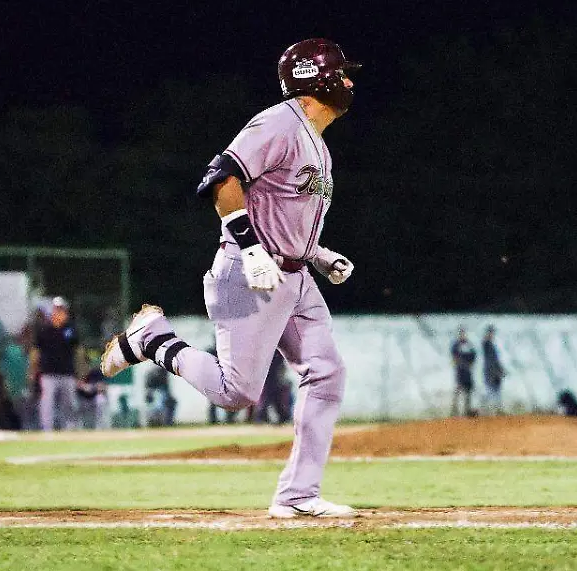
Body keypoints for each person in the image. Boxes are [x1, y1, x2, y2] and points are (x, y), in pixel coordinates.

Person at [100, 38, 360, 519]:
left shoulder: (319, 146)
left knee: (327, 373)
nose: (349, 81)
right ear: (316, 77)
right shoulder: (280, 122)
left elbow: (283, 217)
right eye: (342, 73)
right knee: (236, 394)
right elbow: (221, 178)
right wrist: (251, 247)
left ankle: (298, 494)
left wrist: (319, 255)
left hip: (295, 277)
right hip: (249, 272)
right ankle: (154, 340)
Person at [34, 296, 81, 431]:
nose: (58, 312)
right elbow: (36, 351)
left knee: (69, 403)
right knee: (47, 402)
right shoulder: (44, 330)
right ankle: (46, 428)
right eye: (56, 309)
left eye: (61, 309)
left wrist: (80, 370)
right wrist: (33, 370)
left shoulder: (70, 329)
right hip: (48, 372)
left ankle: (70, 429)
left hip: (67, 371)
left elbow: (77, 350)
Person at [76, 356, 110, 429]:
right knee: (73, 402)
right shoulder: (76, 373)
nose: (84, 366)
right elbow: (74, 385)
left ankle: (100, 428)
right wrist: (82, 386)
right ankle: (76, 428)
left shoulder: (96, 372)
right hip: (81, 399)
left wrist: (92, 387)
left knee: (101, 400)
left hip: (94, 398)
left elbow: (104, 387)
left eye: (85, 364)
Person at [451, 327, 477, 417]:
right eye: (461, 334)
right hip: (460, 371)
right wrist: (460, 363)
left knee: (468, 391)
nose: (463, 335)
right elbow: (454, 357)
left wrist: (470, 364)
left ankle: (467, 410)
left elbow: (474, 355)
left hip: (467, 371)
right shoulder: (456, 345)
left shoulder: (469, 344)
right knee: (458, 390)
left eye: (463, 334)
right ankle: (454, 411)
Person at [481, 326, 506, 415]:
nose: (492, 334)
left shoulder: (493, 346)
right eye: (490, 332)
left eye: (492, 333)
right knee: (490, 391)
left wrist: (501, 369)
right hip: (489, 371)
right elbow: (484, 342)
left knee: (497, 391)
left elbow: (496, 360)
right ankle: (487, 410)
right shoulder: (486, 344)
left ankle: (498, 409)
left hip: (496, 371)